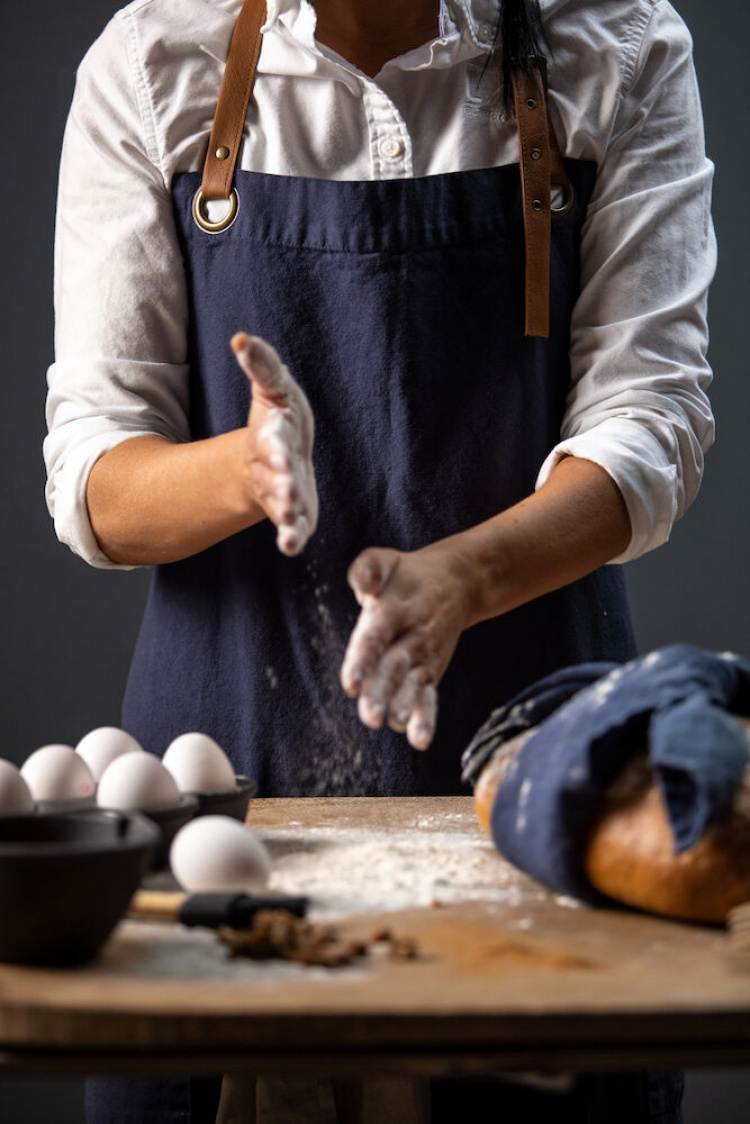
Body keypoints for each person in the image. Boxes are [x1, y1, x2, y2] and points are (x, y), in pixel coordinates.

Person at [43, 0, 715, 1120]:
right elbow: (96, 478)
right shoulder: (154, 59)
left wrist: (466, 578)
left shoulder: (620, 43)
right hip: (229, 794)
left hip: (541, 782)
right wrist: (248, 470)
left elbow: (653, 421)